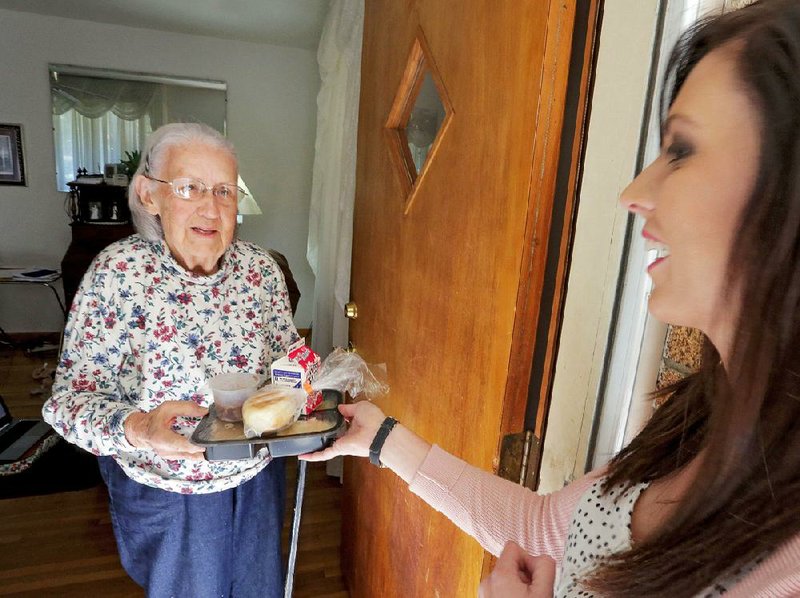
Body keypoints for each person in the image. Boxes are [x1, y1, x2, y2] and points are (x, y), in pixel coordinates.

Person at [301, 1, 800, 595]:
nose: (634, 193)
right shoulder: (701, 419)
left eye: (683, 150)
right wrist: (381, 439)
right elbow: (541, 530)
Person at [44, 122, 300, 598]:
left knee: (258, 590)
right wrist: (139, 428)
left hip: (257, 476)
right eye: (189, 187)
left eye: (225, 190)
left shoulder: (261, 270)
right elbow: (67, 402)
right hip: (169, 488)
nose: (211, 206)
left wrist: (305, 386)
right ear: (148, 195)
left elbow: (289, 356)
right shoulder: (118, 273)